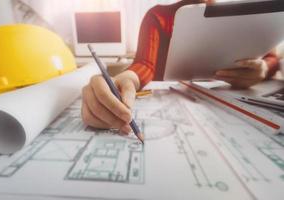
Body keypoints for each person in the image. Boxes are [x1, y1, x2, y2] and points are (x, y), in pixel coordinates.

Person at [81, 0, 280, 134]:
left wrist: (263, 69)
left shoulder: (240, 16)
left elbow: (271, 57)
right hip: (173, 108)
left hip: (223, 111)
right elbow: (144, 65)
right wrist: (129, 78)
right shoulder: (158, 16)